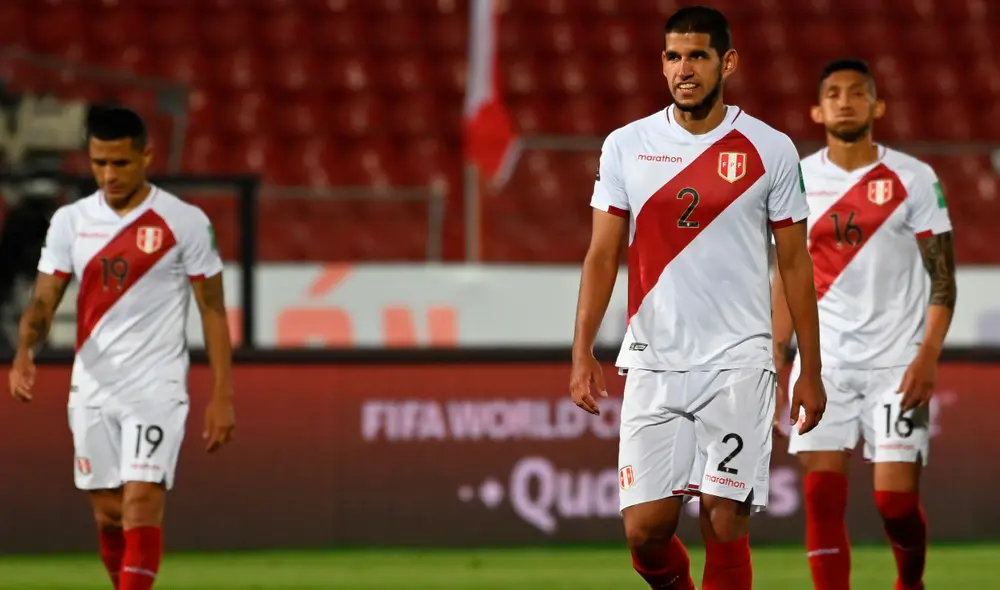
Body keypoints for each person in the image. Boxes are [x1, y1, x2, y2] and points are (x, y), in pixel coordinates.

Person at [569, 6, 827, 590]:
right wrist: (582, 348)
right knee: (646, 534)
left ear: (727, 63)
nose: (685, 69)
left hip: (739, 361)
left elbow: (794, 262)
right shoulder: (625, 145)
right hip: (654, 359)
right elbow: (601, 255)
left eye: (698, 56)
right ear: (662, 65)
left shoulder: (770, 148)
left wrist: (810, 367)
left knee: (724, 522)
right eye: (674, 57)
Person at [7, 107, 236, 590]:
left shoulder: (184, 221)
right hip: (92, 385)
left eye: (120, 164)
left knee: (140, 503)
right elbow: (45, 299)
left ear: (146, 156)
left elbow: (212, 309)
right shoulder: (71, 222)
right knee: (110, 517)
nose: (109, 175)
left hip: (156, 386)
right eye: (99, 163)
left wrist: (222, 395)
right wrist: (26, 349)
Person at [772, 59, 957, 590]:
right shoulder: (798, 180)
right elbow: (788, 276)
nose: (845, 100)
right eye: (833, 93)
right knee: (820, 498)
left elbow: (942, 279)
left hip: (898, 364)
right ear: (817, 109)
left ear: (877, 107)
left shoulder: (914, 177)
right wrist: (774, 352)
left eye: (858, 93)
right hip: (822, 364)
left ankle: (910, 582)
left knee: (895, 502)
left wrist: (927, 358)